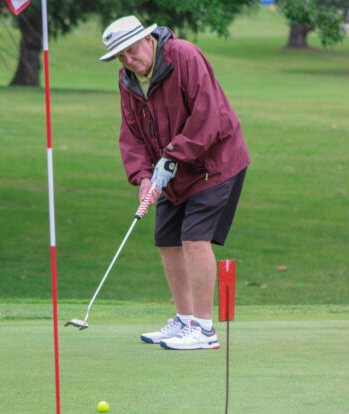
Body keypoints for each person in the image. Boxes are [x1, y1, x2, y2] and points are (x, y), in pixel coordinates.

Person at [100, 15, 250, 350]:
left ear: (147, 39)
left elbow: (208, 115)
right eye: (120, 56)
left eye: (131, 50)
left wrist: (170, 156)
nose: (128, 60)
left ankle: (205, 328)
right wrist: (142, 178)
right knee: (166, 239)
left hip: (215, 162)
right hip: (172, 171)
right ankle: (184, 321)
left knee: (195, 238)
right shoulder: (128, 81)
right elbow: (131, 135)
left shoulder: (183, 55)